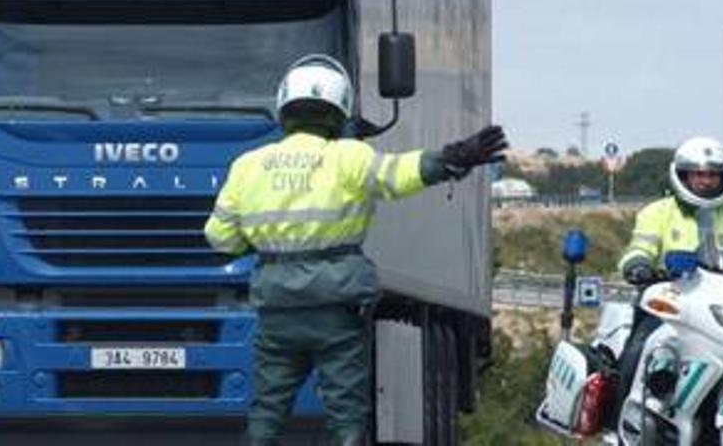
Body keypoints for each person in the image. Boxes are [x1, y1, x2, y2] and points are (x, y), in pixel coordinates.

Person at [203, 54, 507, 446]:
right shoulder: (348, 156)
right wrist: (450, 158)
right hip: (337, 308)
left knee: (267, 412)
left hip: (278, 309)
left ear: (284, 107)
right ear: (339, 110)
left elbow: (220, 238)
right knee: (346, 413)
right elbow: (398, 176)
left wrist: (261, 239)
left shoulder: (248, 166)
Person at [610, 136, 723, 428]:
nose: (705, 180)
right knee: (639, 348)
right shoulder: (658, 212)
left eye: (712, 174)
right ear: (683, 175)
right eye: (698, 174)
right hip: (670, 304)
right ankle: (620, 423)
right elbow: (639, 248)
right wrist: (639, 265)